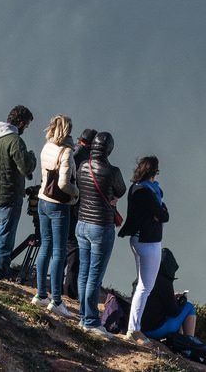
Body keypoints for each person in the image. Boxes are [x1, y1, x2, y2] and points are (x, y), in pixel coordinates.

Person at [75, 131, 127, 337]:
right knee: (94, 277)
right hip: (100, 226)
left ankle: (83, 316)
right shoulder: (112, 171)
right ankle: (91, 321)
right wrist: (111, 197)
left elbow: (80, 185)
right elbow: (121, 190)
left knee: (83, 272)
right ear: (109, 150)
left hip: (82, 224)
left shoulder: (82, 166)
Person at [118, 155, 168, 344]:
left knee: (141, 284)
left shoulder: (135, 188)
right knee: (145, 287)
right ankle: (134, 329)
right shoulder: (148, 192)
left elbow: (161, 214)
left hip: (137, 240)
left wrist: (160, 213)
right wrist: (160, 213)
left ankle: (134, 326)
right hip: (149, 242)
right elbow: (163, 215)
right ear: (154, 172)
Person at [32, 114, 79, 316]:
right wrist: (76, 193)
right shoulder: (66, 152)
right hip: (59, 205)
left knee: (45, 246)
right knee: (59, 252)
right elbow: (63, 184)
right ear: (68, 130)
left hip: (43, 200)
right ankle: (57, 300)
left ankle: (41, 295)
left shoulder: (46, 147)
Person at [0, 105, 36, 279]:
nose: (25, 129)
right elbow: (25, 166)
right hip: (11, 193)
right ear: (20, 123)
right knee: (6, 234)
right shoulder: (15, 141)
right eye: (26, 125)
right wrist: (32, 156)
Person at [64, 128, 98, 299]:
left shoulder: (73, 153)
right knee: (74, 250)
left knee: (64, 247)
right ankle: (70, 292)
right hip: (75, 208)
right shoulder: (84, 158)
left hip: (66, 206)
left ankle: (60, 285)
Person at [137, 247, 197, 340]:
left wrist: (171, 297)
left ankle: (179, 339)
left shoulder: (144, 275)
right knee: (189, 307)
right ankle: (189, 343)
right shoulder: (164, 282)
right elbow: (174, 312)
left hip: (138, 328)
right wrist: (182, 299)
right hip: (154, 331)